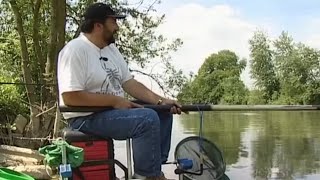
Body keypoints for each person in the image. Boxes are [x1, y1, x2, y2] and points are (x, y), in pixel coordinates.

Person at [57, 2, 182, 180]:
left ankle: (155, 168)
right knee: (146, 119)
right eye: (113, 22)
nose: (117, 27)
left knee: (162, 113)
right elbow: (70, 97)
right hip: (85, 118)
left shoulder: (111, 49)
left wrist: (161, 101)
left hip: (111, 112)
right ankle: (148, 176)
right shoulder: (75, 50)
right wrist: (114, 101)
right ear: (98, 25)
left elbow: (129, 83)